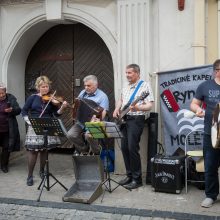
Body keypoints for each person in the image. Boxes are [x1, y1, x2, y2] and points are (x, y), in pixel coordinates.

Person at [113, 64, 154, 190]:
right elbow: (121, 99)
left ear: (137, 73)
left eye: (129, 73)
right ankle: (129, 176)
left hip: (136, 119)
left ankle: (137, 179)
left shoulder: (144, 86)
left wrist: (138, 107)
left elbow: (149, 105)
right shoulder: (126, 86)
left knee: (132, 148)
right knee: (124, 148)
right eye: (126, 73)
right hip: (125, 119)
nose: (127, 75)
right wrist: (116, 109)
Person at [21, 76, 68, 186]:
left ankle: (42, 171)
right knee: (33, 152)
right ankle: (30, 175)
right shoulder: (32, 98)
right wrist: (28, 121)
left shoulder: (51, 99)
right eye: (43, 87)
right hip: (35, 125)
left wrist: (63, 107)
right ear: (38, 87)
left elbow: (56, 114)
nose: (45, 89)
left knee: (44, 150)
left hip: (47, 125)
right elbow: (24, 111)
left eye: (47, 86)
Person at [190, 59, 220, 208]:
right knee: (210, 165)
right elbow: (194, 104)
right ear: (217, 71)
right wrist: (198, 110)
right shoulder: (205, 86)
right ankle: (211, 195)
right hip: (211, 133)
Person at [67, 75, 109, 155]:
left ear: (96, 85)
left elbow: (103, 113)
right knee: (70, 134)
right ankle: (84, 149)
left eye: (88, 85)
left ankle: (96, 151)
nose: (86, 87)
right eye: (85, 85)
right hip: (81, 122)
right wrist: (75, 112)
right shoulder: (83, 93)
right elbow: (78, 104)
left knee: (88, 135)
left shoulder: (103, 96)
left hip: (94, 122)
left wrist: (96, 120)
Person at [0, 82, 21, 173]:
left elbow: (18, 110)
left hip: (8, 129)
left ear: (5, 92)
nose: (1, 95)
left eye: (2, 93)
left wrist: (12, 110)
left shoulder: (11, 99)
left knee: (6, 147)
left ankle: (4, 165)